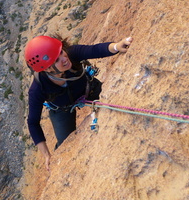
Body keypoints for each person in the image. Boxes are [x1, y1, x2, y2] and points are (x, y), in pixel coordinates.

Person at [24, 34, 132, 171]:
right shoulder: (38, 88)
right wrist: (46, 155)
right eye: (57, 60)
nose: (64, 58)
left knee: (117, 105)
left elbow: (95, 50)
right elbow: (33, 122)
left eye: (61, 51)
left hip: (89, 90)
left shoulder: (72, 53)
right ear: (47, 69)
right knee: (65, 145)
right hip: (62, 109)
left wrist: (117, 45)